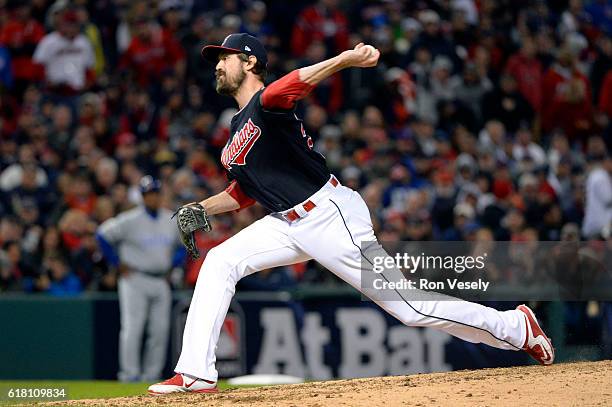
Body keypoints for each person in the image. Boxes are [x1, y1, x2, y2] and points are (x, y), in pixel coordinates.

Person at [148, 34, 554, 395]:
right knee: (219, 261)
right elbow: (245, 192)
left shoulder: (266, 104)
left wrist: (342, 60)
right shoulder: (237, 129)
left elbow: (287, 89)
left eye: (226, 56)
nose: (218, 64)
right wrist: (202, 207)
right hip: (285, 223)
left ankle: (515, 327)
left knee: (410, 309)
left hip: (329, 215)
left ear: (250, 61)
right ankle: (195, 373)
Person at [97, 176, 185, 382]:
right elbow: (102, 235)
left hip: (161, 280)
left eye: (155, 193)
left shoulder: (169, 218)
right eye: (148, 194)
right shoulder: (130, 219)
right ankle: (129, 375)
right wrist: (116, 263)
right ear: (143, 197)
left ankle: (151, 376)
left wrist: (174, 264)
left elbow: (183, 246)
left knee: (159, 331)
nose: (152, 197)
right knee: (133, 328)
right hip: (135, 278)